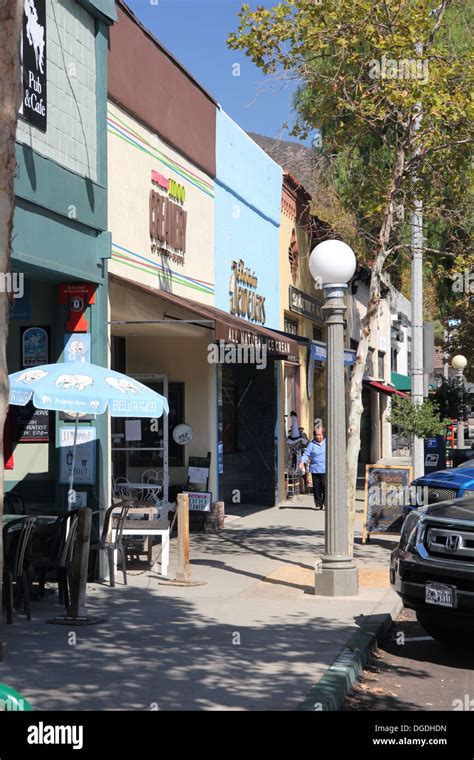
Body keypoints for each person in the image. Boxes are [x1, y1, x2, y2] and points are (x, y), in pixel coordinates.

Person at [299, 427, 326, 509]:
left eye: (320, 435)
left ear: (323, 434)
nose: (318, 436)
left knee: (325, 487)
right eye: (316, 435)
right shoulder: (311, 444)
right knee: (316, 488)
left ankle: (325, 503)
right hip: (315, 469)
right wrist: (302, 462)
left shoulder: (328, 442)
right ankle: (318, 504)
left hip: (325, 469)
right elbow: (306, 454)